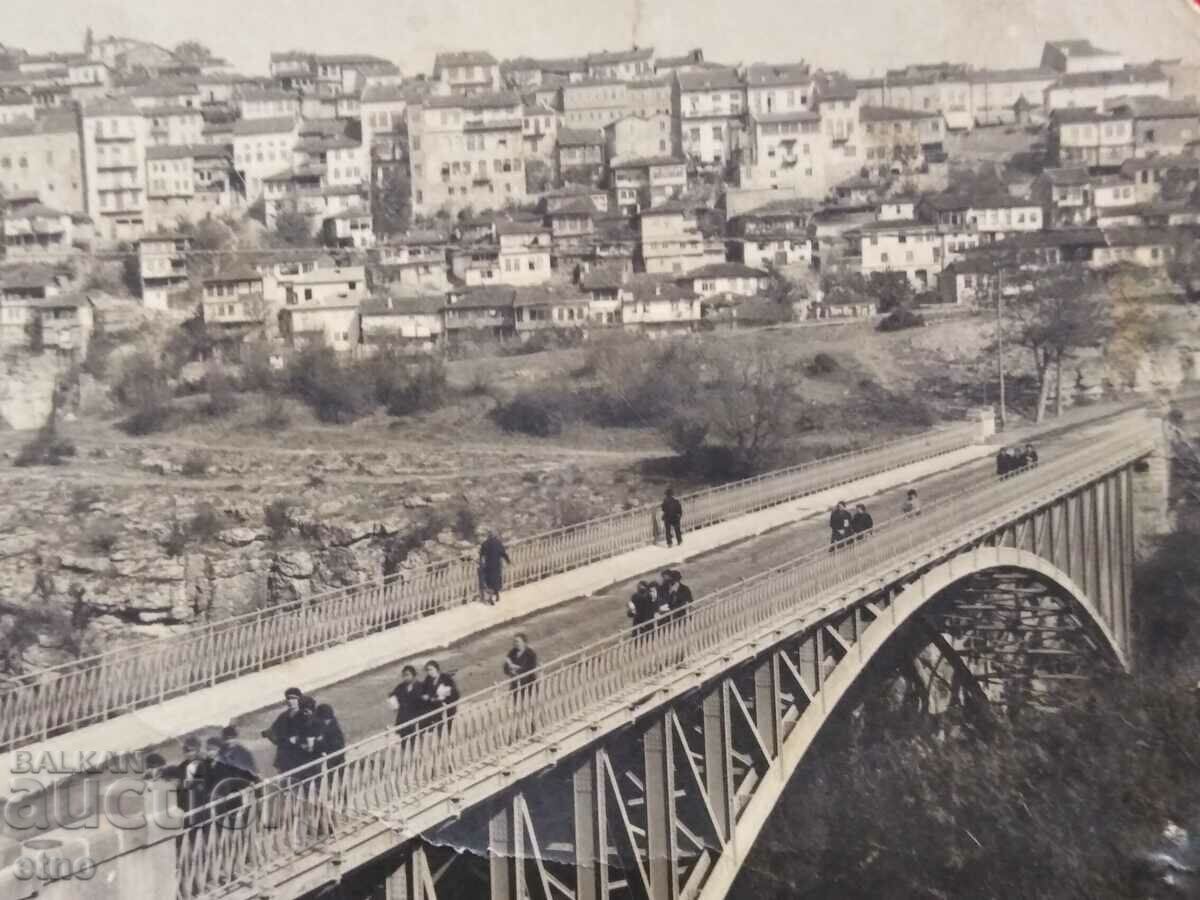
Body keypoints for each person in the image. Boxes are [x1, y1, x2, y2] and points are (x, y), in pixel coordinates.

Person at [261, 686, 308, 777]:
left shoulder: (305, 715)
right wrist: (269, 734)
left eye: (294, 698)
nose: (291, 701)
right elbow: (273, 730)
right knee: (285, 779)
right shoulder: (283, 716)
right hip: (284, 754)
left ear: (300, 699)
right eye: (288, 699)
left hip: (300, 754)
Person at [420, 660, 461, 734]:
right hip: (435, 708)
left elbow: (455, 693)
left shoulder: (445, 677)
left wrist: (445, 696)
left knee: (449, 728)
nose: (429, 672)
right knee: (439, 729)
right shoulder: (428, 679)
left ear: (437, 669)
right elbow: (423, 691)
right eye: (427, 670)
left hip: (447, 707)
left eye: (431, 669)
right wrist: (426, 696)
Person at [388, 665, 426, 738]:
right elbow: (392, 695)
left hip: (416, 717)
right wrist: (393, 701)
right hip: (403, 718)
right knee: (404, 740)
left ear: (414, 675)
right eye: (404, 675)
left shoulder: (420, 686)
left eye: (407, 675)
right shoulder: (401, 686)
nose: (405, 677)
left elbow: (423, 703)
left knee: (417, 739)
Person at [479, 531, 512, 605]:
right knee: (496, 580)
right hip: (497, 565)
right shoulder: (498, 543)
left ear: (488, 536)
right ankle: (497, 595)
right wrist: (508, 561)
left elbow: (481, 555)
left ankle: (490, 598)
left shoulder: (485, 544)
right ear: (495, 536)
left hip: (488, 566)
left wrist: (481, 563)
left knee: (489, 582)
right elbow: (503, 553)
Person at [312, 704, 347, 773]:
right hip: (336, 750)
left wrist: (320, 740)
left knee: (335, 770)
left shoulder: (330, 726)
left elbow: (331, 742)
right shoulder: (332, 722)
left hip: (334, 752)